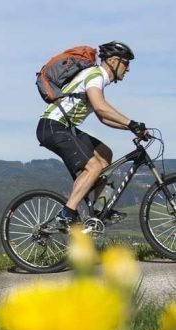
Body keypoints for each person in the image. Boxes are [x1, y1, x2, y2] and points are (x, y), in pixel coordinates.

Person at [36, 41, 148, 228]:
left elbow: (103, 118)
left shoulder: (96, 77)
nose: (128, 69)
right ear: (113, 61)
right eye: (126, 63)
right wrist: (131, 122)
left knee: (105, 154)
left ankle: (98, 209)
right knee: (94, 167)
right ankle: (66, 213)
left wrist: (132, 128)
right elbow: (100, 107)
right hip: (54, 126)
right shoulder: (96, 75)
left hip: (63, 127)